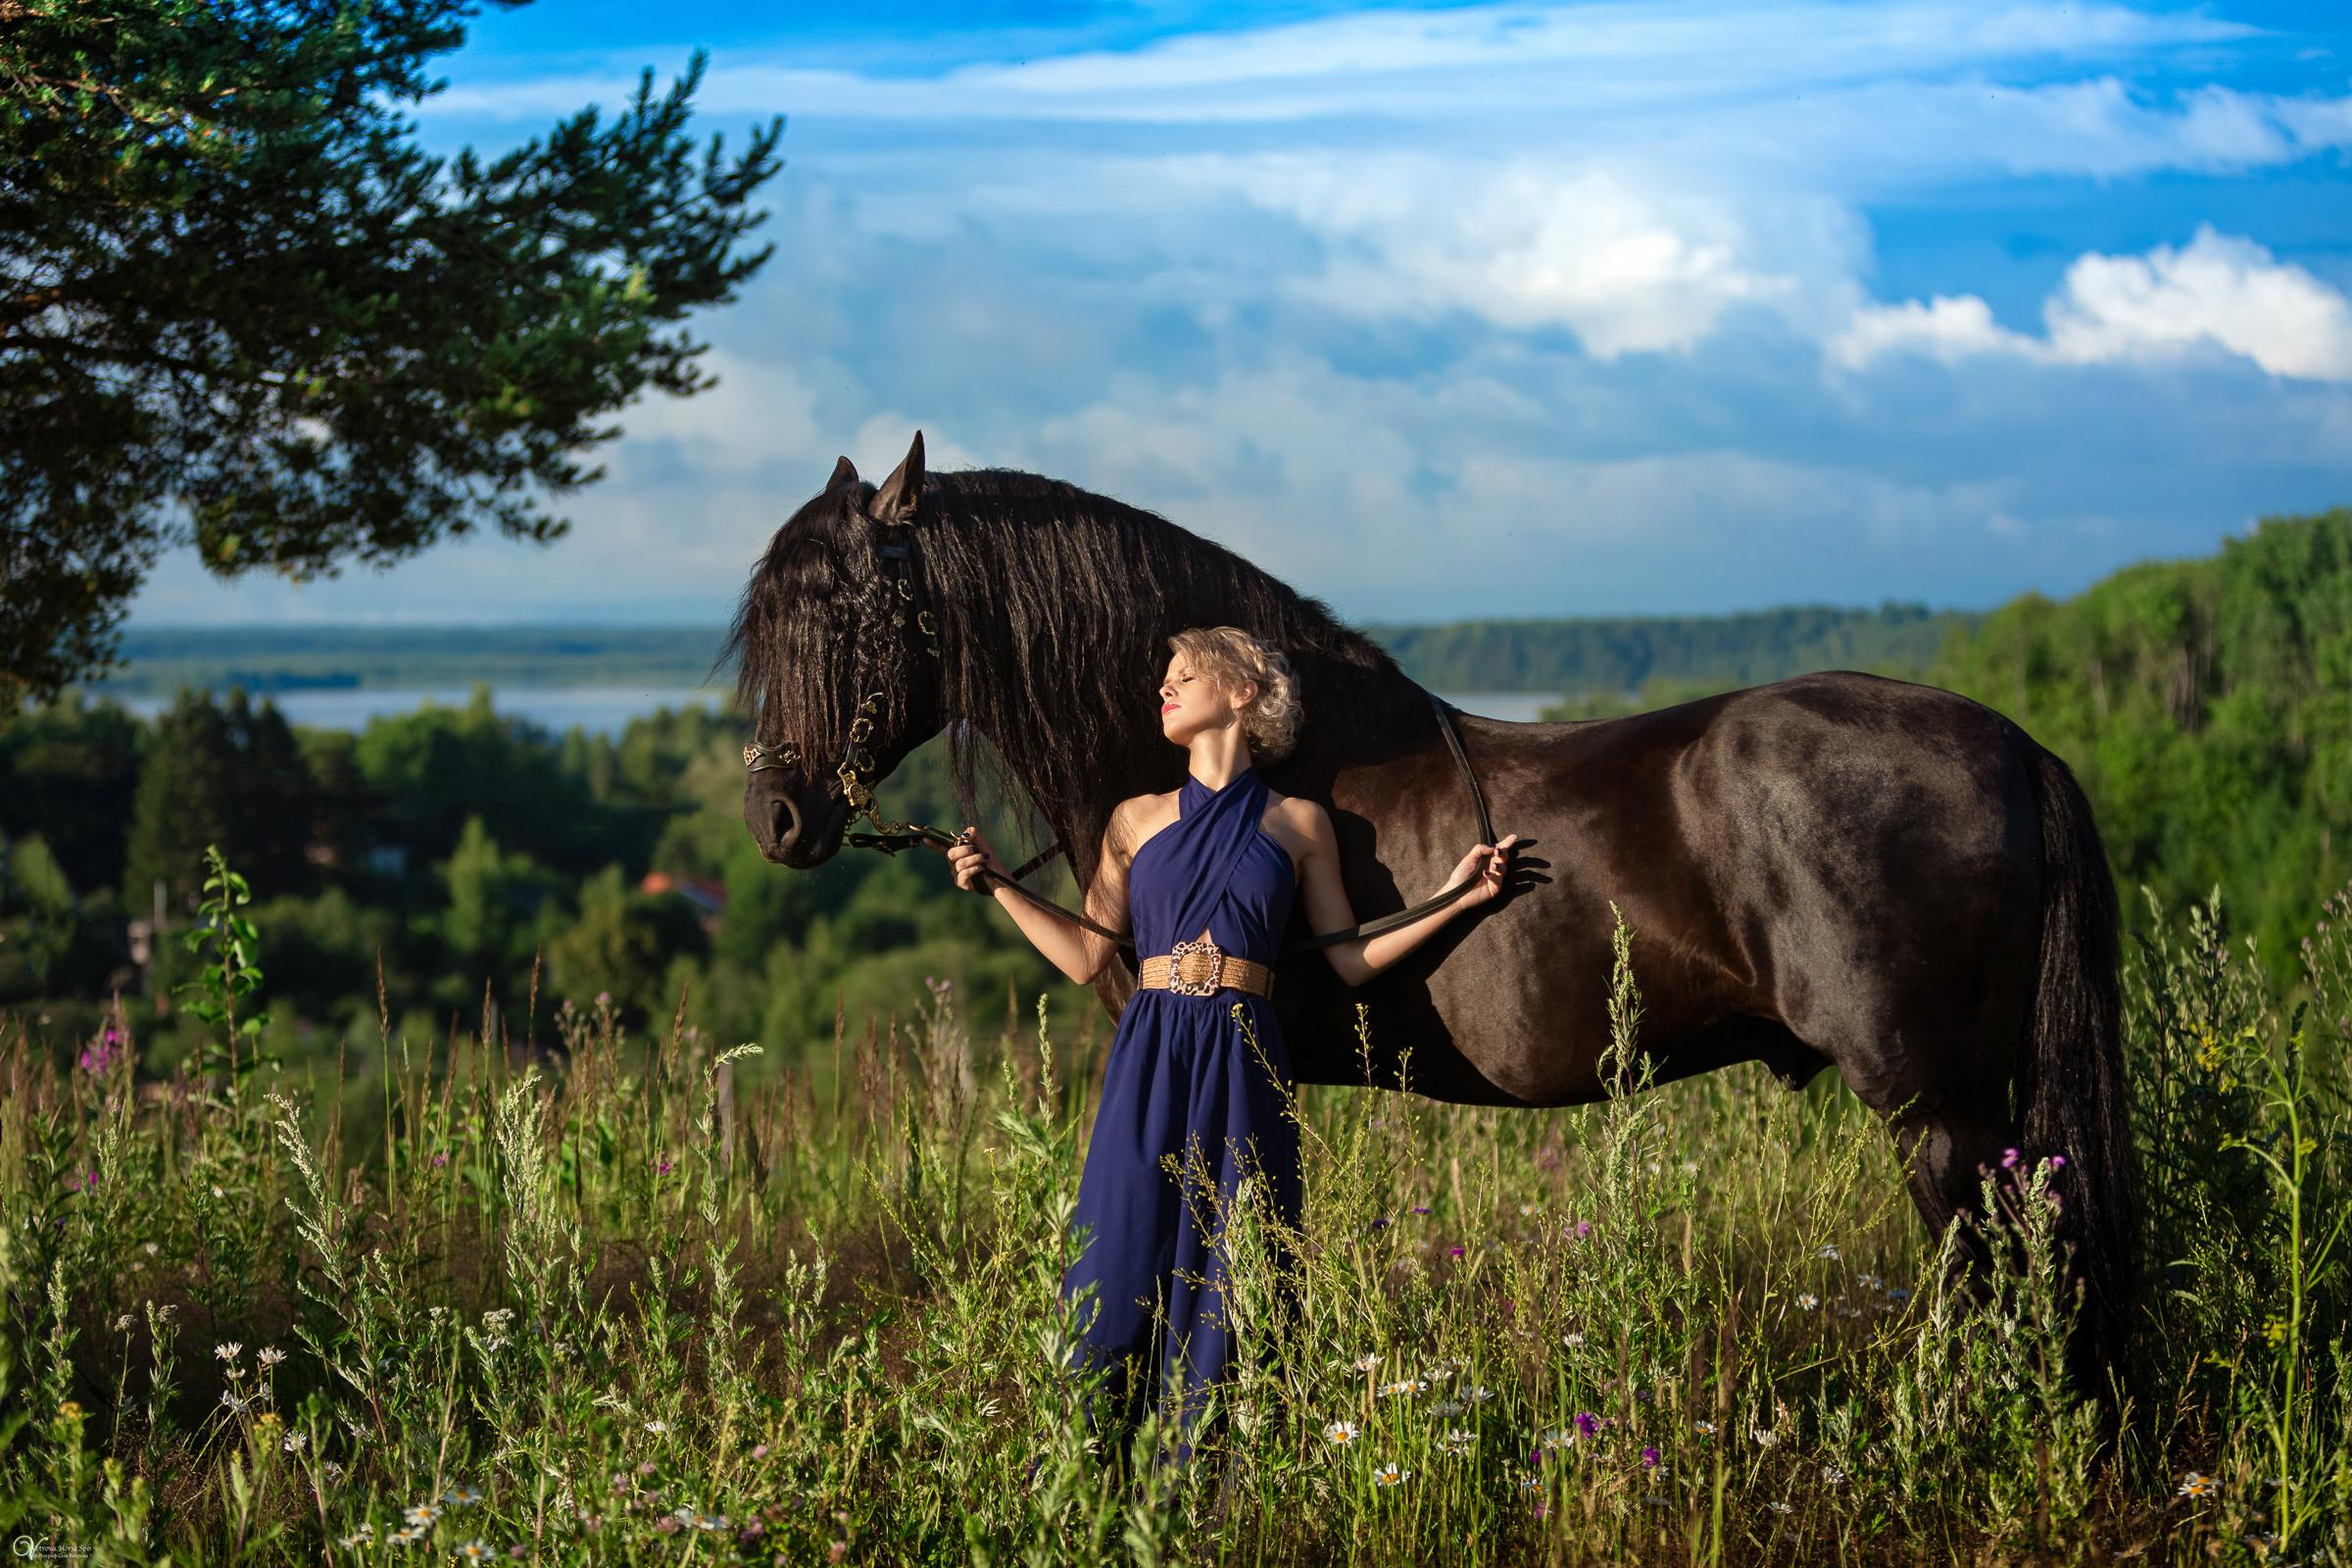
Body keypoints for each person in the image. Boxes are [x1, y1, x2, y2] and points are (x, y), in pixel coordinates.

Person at [929, 625, 1516, 1460]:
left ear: (1243, 692)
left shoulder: (1301, 823)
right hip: (1150, 1053)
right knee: (1119, 1247)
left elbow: (1349, 960)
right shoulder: (1134, 820)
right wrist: (997, 885)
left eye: (1184, 673)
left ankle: (1212, 1474)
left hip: (1245, 1055)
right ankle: (1087, 1469)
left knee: (1237, 1259)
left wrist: (1454, 898)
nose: (1164, 688)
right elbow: (1086, 957)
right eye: (1165, 677)